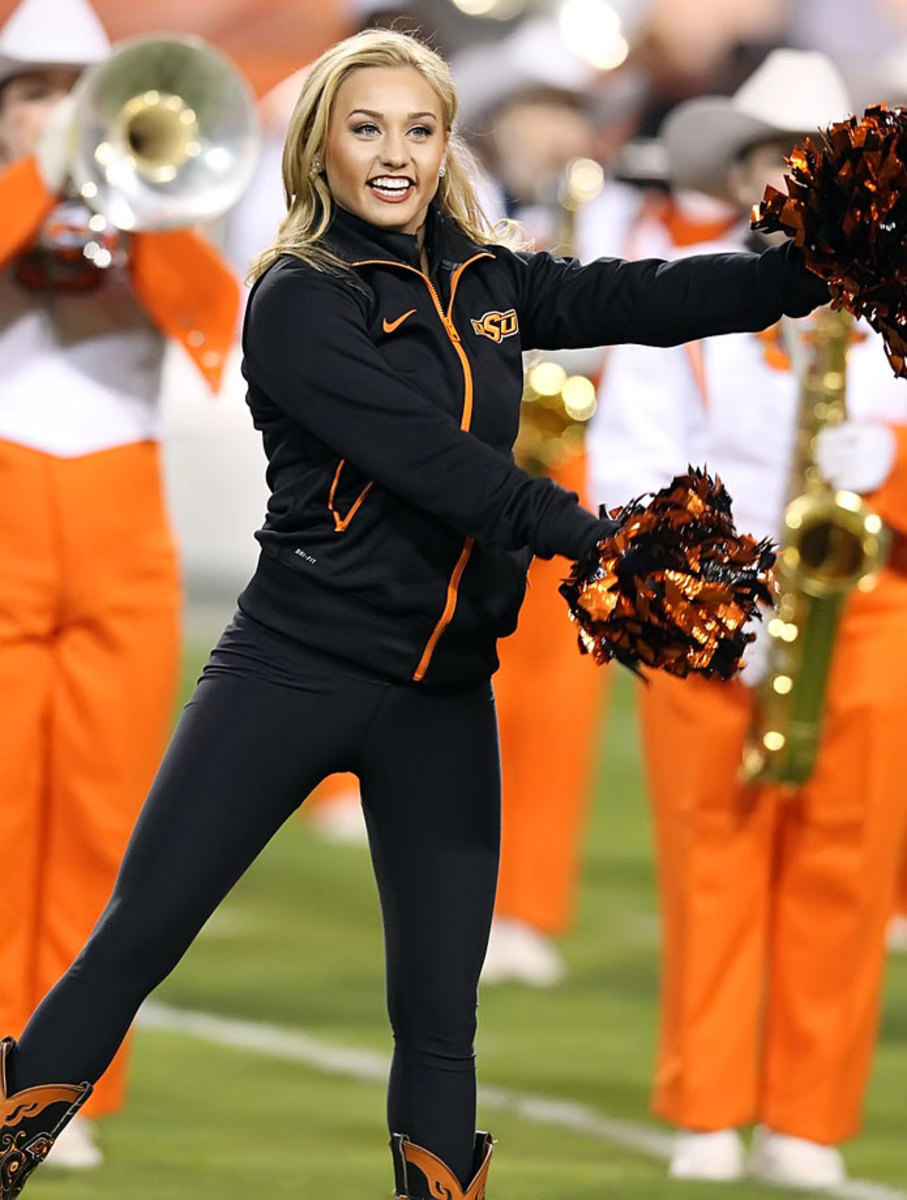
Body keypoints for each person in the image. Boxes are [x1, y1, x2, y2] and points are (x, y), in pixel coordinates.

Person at [0, 28, 830, 1200]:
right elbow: (435, 467)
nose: (395, 154)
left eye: (419, 130)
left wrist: (822, 260)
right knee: (136, 941)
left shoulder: (490, 279)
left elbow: (660, 294)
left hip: (442, 696)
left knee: (440, 1021)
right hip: (292, 674)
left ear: (448, 148)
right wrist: (602, 540)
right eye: (367, 128)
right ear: (321, 148)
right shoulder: (295, 299)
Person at [588, 48, 907, 1189]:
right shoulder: (679, 285)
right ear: (743, 175)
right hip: (713, 613)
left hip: (870, 608)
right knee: (710, 859)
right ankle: (710, 1105)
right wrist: (721, 610)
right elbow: (627, 461)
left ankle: (809, 1122)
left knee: (846, 867)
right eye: (779, 161)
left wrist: (893, 470)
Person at [0, 0, 246, 1174]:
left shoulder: (160, 214)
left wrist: (124, 201)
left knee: (107, 815)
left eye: (72, 95)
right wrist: (42, 182)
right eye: (31, 93)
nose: (54, 115)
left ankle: (62, 1085)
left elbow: (215, 327)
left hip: (118, 510)